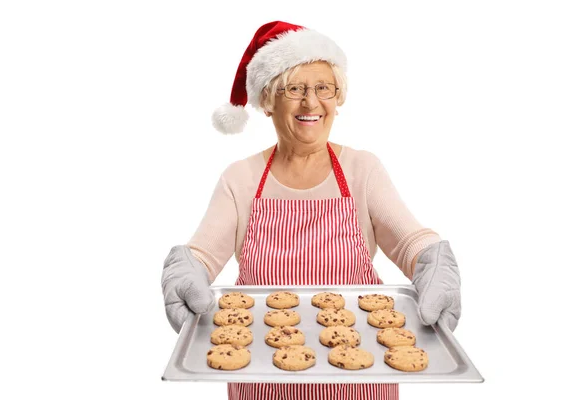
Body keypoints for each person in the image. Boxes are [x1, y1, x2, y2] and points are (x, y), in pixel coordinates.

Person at [161, 21, 461, 400]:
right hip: (263, 381)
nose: (311, 103)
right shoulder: (241, 178)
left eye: (323, 88)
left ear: (338, 97)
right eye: (294, 89)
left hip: (361, 382)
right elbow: (203, 255)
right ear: (268, 100)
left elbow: (409, 241)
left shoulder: (362, 169)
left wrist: (434, 261)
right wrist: (183, 268)